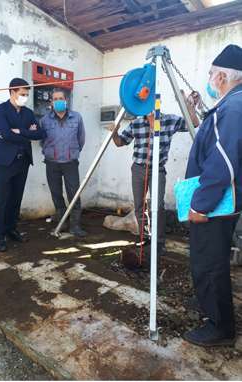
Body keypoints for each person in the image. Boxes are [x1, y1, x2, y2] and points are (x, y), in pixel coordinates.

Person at [183, 44, 242, 347]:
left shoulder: (232, 108)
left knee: (209, 262)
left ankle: (219, 326)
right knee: (212, 259)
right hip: (226, 200)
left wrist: (200, 204)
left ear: (222, 76)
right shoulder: (231, 105)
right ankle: (210, 306)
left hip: (216, 204)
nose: (209, 80)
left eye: (210, 74)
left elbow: (223, 163)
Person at [111, 102, 199, 255]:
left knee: (158, 206)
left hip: (158, 170)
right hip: (138, 169)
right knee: (139, 205)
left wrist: (189, 105)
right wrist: (114, 132)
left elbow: (194, 123)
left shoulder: (169, 121)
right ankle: (142, 237)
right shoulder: (136, 123)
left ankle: (159, 242)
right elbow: (120, 142)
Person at [0, 78, 46, 252]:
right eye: (22, 94)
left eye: (26, 95)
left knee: (16, 198)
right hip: (5, 161)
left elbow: (40, 133)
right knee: (3, 199)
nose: (25, 97)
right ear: (12, 92)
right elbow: (6, 134)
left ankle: (11, 229)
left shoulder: (28, 113)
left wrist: (21, 131)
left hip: (23, 160)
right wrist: (27, 134)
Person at [39, 89, 87, 237]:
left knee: (74, 194)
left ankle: (75, 225)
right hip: (52, 163)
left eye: (61, 98)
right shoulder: (44, 120)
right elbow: (42, 141)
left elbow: (81, 139)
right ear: (51, 102)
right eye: (55, 99)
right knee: (56, 194)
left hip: (70, 162)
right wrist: (49, 152)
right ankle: (63, 222)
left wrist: (73, 153)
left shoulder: (76, 118)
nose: (58, 101)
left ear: (66, 101)